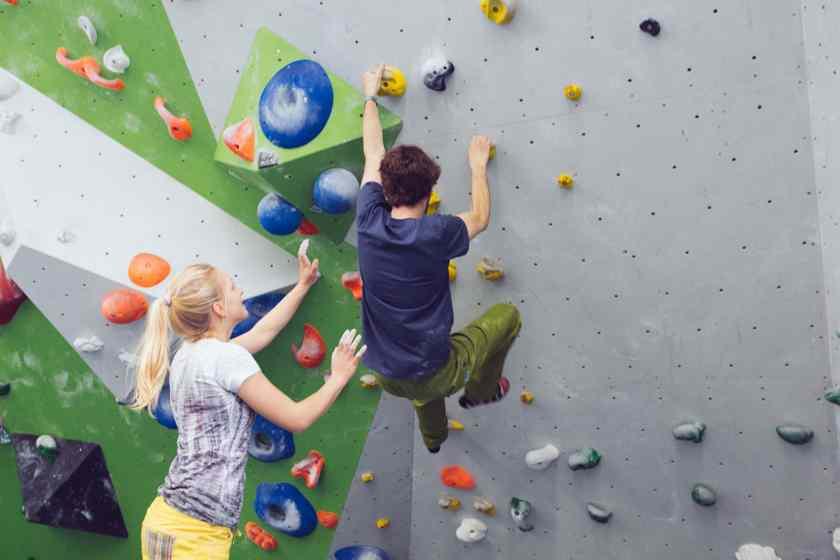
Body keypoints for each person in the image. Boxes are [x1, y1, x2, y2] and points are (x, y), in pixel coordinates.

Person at [129, 241, 366, 560]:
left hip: (169, 521)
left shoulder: (192, 354)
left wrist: (302, 286)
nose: (240, 290)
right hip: (194, 536)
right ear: (218, 308)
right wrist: (338, 377)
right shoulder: (224, 358)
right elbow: (296, 418)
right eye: (232, 286)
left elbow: (265, 331)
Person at [356, 64, 522, 453]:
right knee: (508, 317)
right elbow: (479, 218)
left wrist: (370, 96)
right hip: (434, 369)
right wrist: (478, 168)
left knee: (421, 390)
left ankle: (434, 438)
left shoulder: (367, 219)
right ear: (430, 193)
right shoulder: (435, 233)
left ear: (385, 187)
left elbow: (372, 152)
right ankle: (480, 391)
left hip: (386, 373)